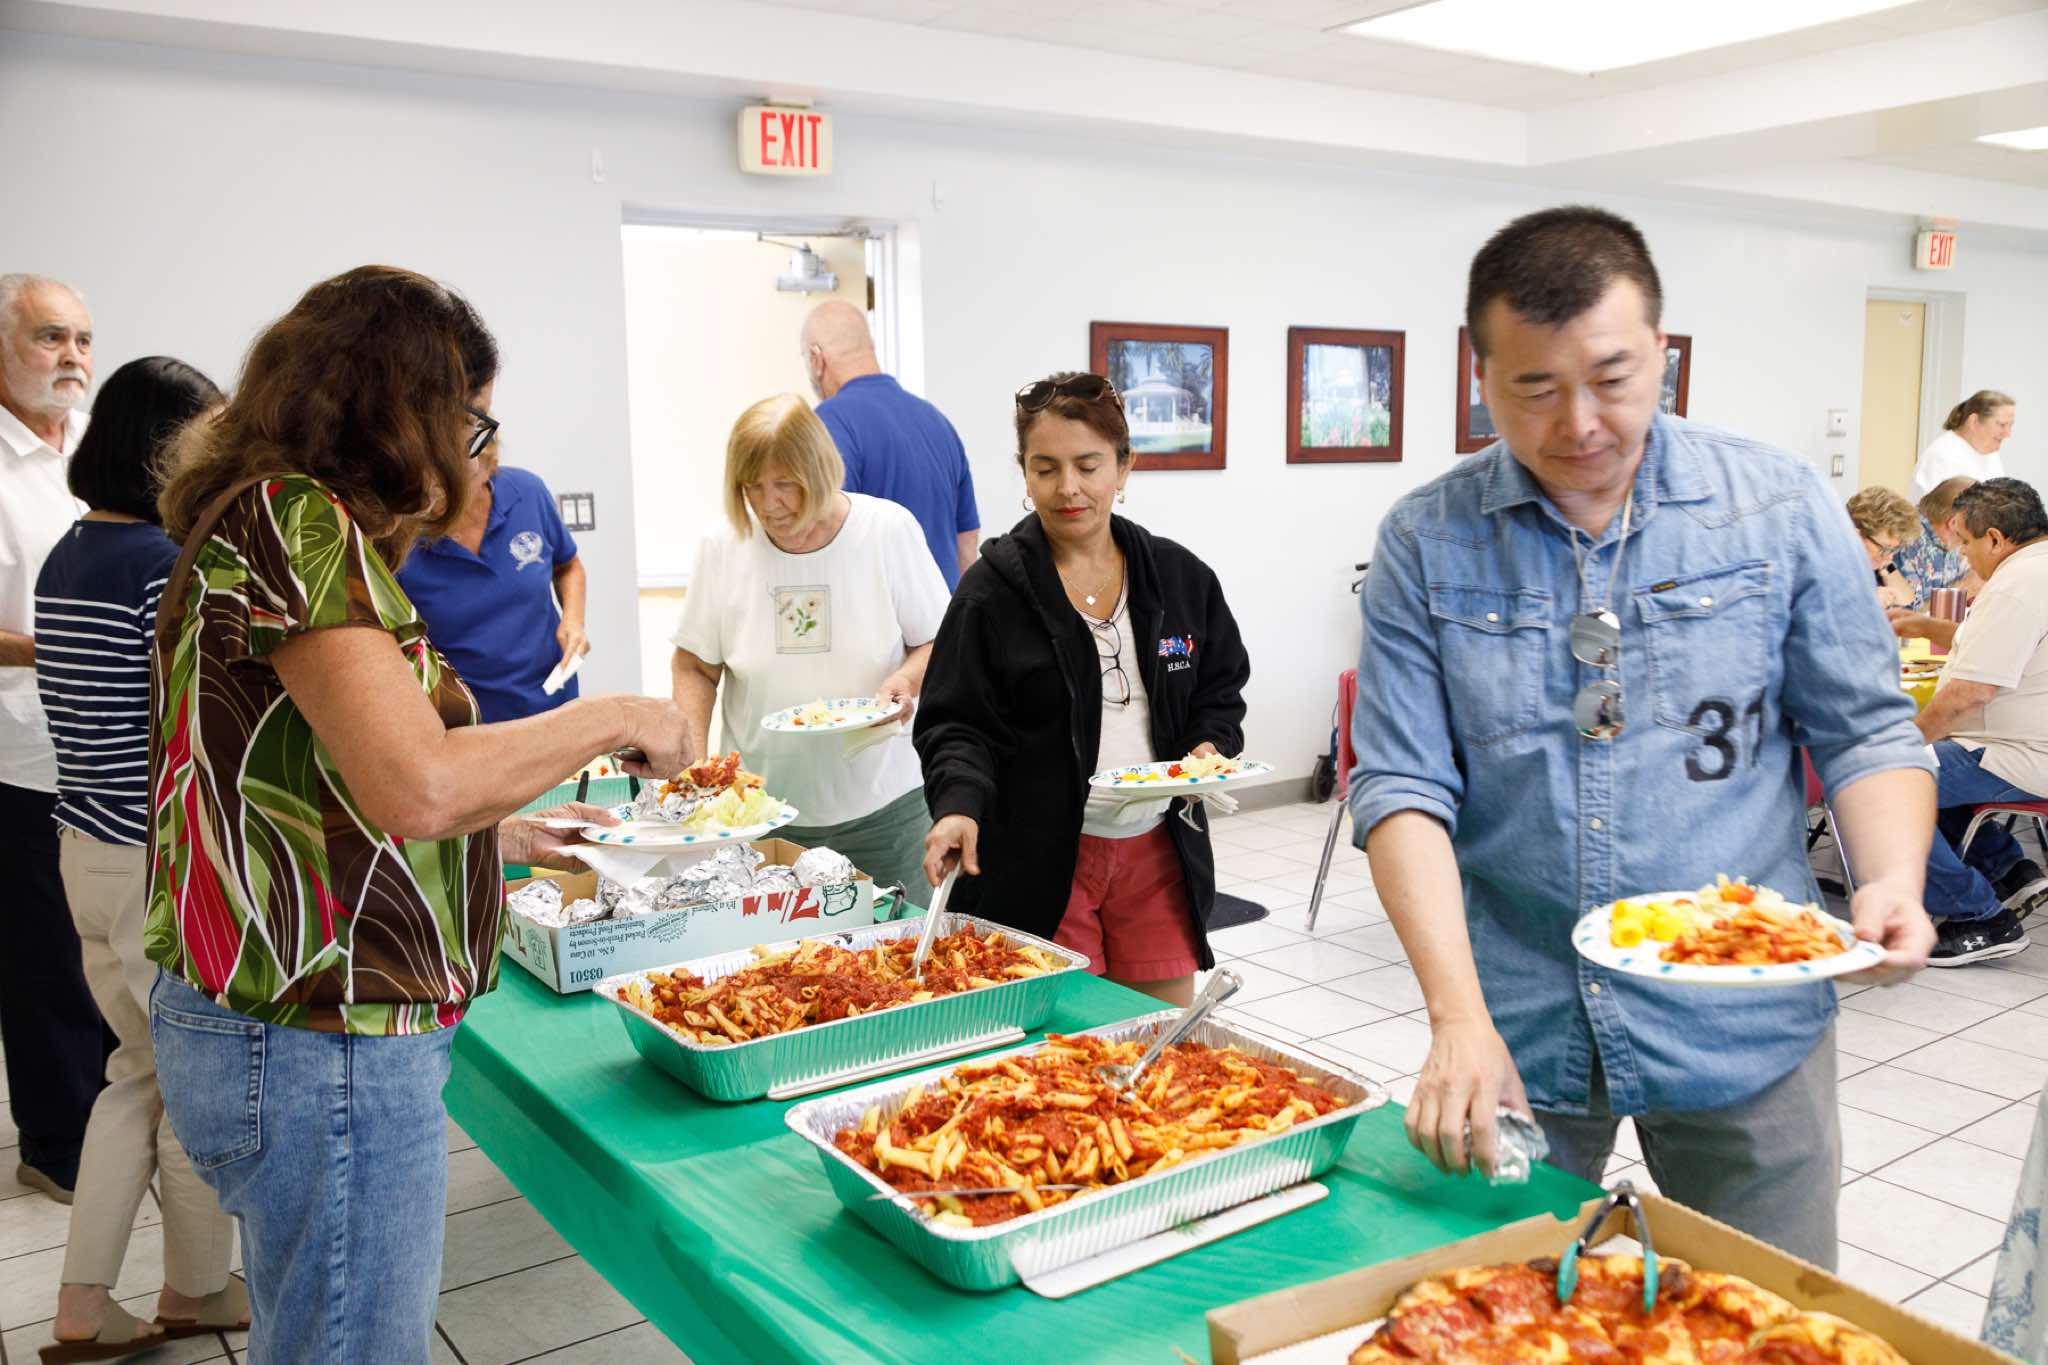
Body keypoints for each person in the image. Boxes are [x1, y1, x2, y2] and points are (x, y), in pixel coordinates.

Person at [1348, 206, 1935, 1269]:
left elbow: (1865, 730)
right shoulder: (1427, 541)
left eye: (1612, 379)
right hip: (1515, 1021)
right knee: (1501, 1312)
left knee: (1772, 1313)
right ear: (1481, 377)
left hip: (1743, 1022)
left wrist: (1891, 877)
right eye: (1535, 387)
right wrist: (1454, 1017)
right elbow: (1399, 787)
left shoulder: (1774, 507)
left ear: (1661, 353)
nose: (1579, 422)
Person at [146, 266, 685, 1363]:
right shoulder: (293, 520)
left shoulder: (266, 517)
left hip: (279, 1021)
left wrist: (503, 834)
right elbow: (419, 782)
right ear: (404, 410)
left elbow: (320, 781)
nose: (477, 454)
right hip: (320, 1033)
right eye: (470, 422)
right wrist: (617, 715)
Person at [32, 357, 248, 1354]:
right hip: (152, 861)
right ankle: (194, 1290)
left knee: (137, 1072)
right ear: (164, 448)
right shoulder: (164, 565)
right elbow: (196, 724)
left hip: (84, 846)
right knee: (190, 1074)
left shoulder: (68, 557)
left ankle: (91, 1302)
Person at [916, 373, 1250, 1007]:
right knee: (1066, 1035)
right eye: (1046, 469)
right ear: (1024, 473)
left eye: (1088, 466)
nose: (1067, 488)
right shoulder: (991, 594)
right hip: (1040, 860)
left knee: (1159, 1034)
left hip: (1158, 851)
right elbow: (955, 723)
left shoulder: (1181, 578)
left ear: (1124, 467)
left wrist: (1209, 745)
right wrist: (958, 805)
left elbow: (1219, 688)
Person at [670, 394, 948, 901]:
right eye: (752, 486)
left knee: (896, 946)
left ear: (819, 471)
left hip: (884, 810)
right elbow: (695, 666)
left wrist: (906, 680)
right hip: (762, 815)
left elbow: (938, 641)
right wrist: (691, 759)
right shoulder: (723, 545)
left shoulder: (886, 530)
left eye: (785, 485)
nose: (768, 504)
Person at [0, 271, 113, 1208]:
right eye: (49, 337)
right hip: (21, 754)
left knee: (104, 954)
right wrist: (64, 642)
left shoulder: (96, 455)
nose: (71, 356)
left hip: (106, 751)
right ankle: (54, 1144)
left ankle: (108, 1126)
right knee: (43, 964)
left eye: (81, 338)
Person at [1910, 478, 2048, 964]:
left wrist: (1905, 743)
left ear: (1995, 538)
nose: (1964, 555)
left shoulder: (2019, 584)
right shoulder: (2034, 570)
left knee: (1882, 781)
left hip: (2020, 754)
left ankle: (1978, 916)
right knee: (1932, 766)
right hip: (2018, 745)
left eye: (1966, 543)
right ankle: (2006, 870)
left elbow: (1971, 693)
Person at [395, 389, 590, 723]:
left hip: (555, 703)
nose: (441, 494)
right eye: (436, 480)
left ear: (489, 466)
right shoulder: (401, 539)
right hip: (472, 726)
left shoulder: (528, 492)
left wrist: (573, 620)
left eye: (460, 478)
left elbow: (568, 565)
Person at [804, 300, 981, 589]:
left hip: (875, 614)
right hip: (945, 613)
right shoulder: (937, 421)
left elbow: (826, 537)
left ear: (816, 358)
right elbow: (967, 542)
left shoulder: (826, 423)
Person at [1893, 474, 1981, 611]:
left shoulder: (1950, 540)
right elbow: (1905, 616)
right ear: (1954, 524)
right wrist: (1964, 588)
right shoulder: (1905, 542)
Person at [1910, 389, 2015, 500]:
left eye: (2010, 425)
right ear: (1974, 421)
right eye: (2002, 424)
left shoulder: (1990, 454)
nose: (2007, 433)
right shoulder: (1941, 456)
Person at [1846, 486, 1918, 608]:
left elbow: (1907, 600)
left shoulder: (1879, 561)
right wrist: (1868, 601)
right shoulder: (1831, 565)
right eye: (1884, 549)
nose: (1890, 557)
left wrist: (1886, 567)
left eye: (1893, 549)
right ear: (1857, 535)